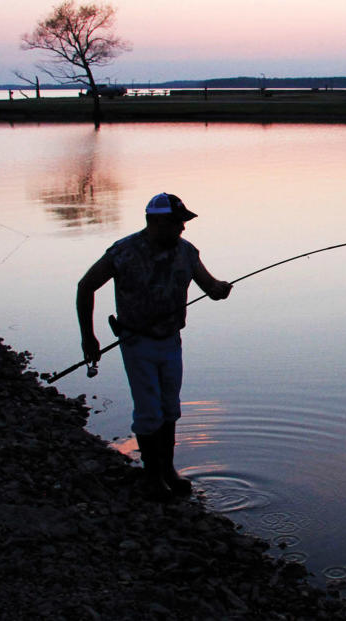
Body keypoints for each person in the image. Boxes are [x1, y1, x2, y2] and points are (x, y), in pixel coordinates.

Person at [76, 193, 232, 501]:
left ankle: (168, 470)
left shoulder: (186, 252)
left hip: (171, 341)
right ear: (156, 222)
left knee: (170, 408)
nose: (182, 229)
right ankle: (152, 476)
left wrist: (220, 290)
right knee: (149, 410)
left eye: (183, 223)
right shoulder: (123, 252)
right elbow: (86, 286)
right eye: (177, 223)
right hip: (136, 342)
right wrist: (88, 338)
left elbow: (210, 287)